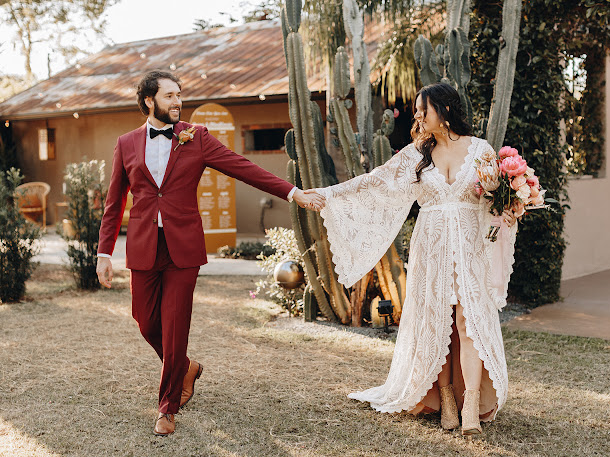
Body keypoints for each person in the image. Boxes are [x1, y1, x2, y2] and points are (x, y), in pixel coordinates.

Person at [96, 70, 324, 436]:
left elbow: (243, 167)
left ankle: (167, 407)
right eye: (169, 95)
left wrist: (293, 193)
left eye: (179, 94)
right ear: (149, 101)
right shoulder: (125, 144)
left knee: (174, 328)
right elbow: (114, 201)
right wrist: (104, 252)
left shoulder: (196, 137)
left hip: (183, 248)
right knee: (144, 320)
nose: (177, 101)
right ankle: (185, 367)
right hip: (142, 247)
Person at [314, 83, 519, 436]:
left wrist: (509, 207)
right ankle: (446, 400)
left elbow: (495, 200)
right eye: (417, 110)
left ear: (446, 109)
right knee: (435, 321)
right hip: (432, 244)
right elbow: (375, 182)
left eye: (425, 109)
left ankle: (471, 403)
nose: (419, 116)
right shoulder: (416, 154)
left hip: (471, 246)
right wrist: (326, 194)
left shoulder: (482, 150)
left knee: (470, 321)